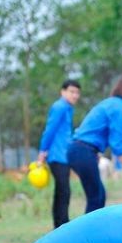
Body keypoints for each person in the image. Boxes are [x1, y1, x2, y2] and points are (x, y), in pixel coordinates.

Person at [64, 72, 122, 219]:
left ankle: (87, 235)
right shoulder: (120, 107)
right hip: (82, 150)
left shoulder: (114, 103)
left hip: (81, 150)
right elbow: (117, 143)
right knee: (96, 197)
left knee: (98, 196)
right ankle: (85, 237)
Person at [38, 79, 81, 229]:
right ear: (62, 92)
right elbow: (49, 130)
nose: (75, 95)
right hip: (57, 156)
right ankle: (62, 226)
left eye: (77, 93)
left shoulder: (68, 108)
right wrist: (42, 151)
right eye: (71, 92)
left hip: (64, 155)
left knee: (61, 191)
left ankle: (59, 225)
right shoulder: (59, 107)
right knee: (64, 191)